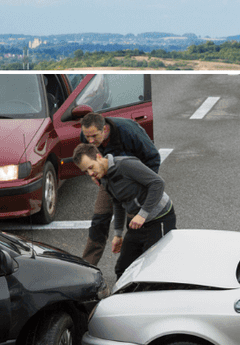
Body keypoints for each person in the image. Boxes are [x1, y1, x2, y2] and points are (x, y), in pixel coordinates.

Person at [72, 143, 175, 279]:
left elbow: (158, 183)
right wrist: (118, 234)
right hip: (138, 223)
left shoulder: (125, 165)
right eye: (86, 171)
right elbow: (118, 202)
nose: (91, 174)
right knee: (122, 268)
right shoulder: (104, 178)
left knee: (151, 267)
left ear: (98, 157)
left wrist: (142, 214)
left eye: (91, 167)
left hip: (160, 218)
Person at [78, 113, 162, 266]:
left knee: (135, 226)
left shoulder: (129, 132)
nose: (90, 141)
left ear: (104, 129)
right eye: (87, 136)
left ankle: (141, 266)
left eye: (94, 136)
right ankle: (87, 267)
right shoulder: (87, 135)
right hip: (108, 180)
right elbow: (88, 158)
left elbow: (153, 158)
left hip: (134, 180)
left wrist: (142, 189)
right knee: (98, 222)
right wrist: (97, 177)